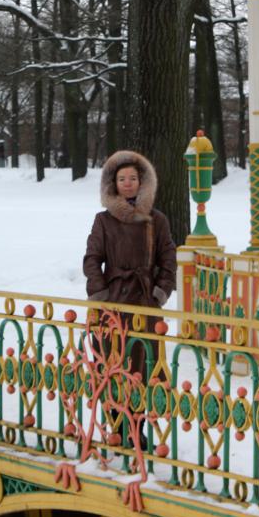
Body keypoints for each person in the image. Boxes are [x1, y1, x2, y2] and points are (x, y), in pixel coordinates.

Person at [83, 150, 176, 380]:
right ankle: (113, 403)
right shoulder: (103, 220)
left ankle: (142, 404)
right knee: (112, 366)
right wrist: (100, 292)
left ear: (142, 183)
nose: (127, 184)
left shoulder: (157, 220)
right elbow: (92, 258)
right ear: (113, 184)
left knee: (145, 367)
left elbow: (168, 258)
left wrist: (160, 291)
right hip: (112, 302)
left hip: (145, 301)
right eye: (122, 179)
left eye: (133, 178)